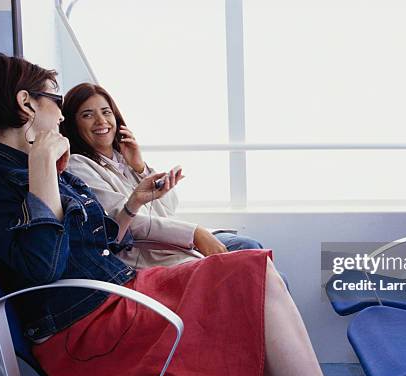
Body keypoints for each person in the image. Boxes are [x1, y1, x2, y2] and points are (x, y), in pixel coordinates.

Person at [0, 53, 337, 376]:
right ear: (27, 103)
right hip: (84, 330)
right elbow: (42, 267)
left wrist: (133, 198)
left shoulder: (47, 167)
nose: (60, 116)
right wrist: (41, 165)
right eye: (55, 101)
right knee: (252, 277)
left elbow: (102, 239)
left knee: (255, 282)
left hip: (120, 293)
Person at [60, 82, 262, 268]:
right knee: (252, 258)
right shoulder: (78, 166)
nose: (101, 121)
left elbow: (168, 209)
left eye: (106, 112)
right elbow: (123, 222)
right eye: (87, 115)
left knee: (253, 250)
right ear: (73, 124)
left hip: (173, 242)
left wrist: (140, 168)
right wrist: (194, 232)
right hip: (147, 253)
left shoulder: (125, 159)